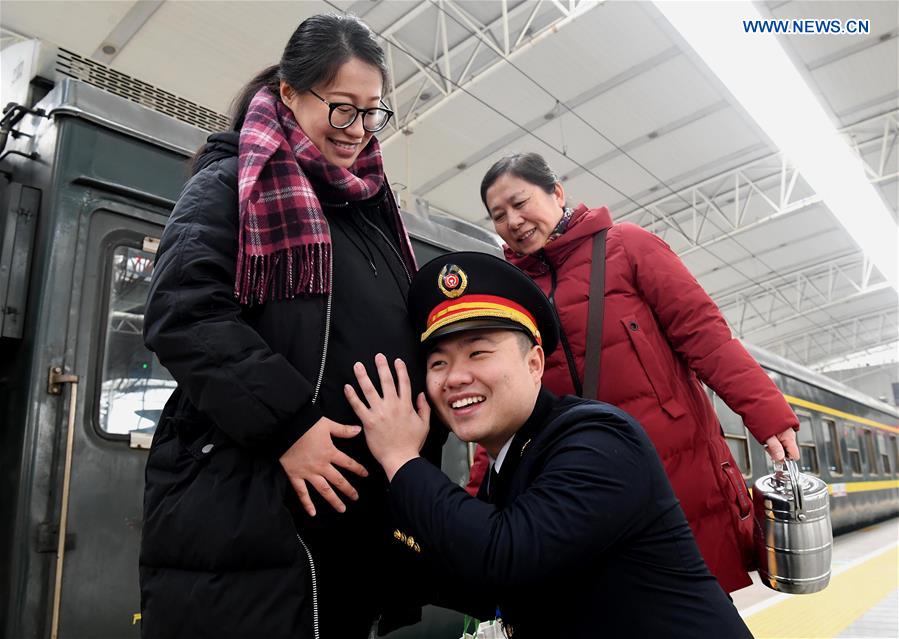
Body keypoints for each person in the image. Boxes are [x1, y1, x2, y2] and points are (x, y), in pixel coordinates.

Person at [139, 14, 444, 638]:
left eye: (372, 112)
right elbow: (183, 310)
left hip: (353, 523)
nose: (357, 130)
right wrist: (288, 425)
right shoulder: (232, 185)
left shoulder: (368, 210)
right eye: (342, 108)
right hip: (257, 507)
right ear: (289, 92)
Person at [344, 251, 754, 638]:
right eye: (438, 363)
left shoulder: (598, 440)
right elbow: (479, 588)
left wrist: (401, 458)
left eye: (478, 353)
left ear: (534, 363)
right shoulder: (512, 462)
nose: (455, 377)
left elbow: (503, 558)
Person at [467, 151, 800, 593]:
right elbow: (506, 403)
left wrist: (768, 416)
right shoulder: (510, 295)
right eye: (498, 215)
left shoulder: (627, 247)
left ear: (557, 193)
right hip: (581, 481)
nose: (513, 221)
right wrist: (478, 496)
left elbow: (705, 335)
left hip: (673, 464)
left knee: (693, 606)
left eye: (520, 202)